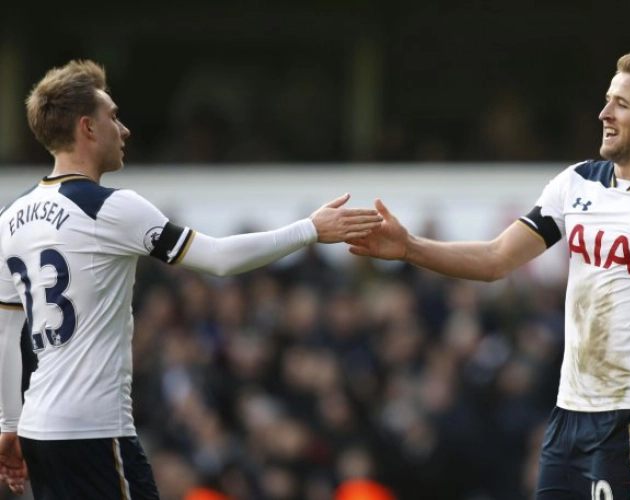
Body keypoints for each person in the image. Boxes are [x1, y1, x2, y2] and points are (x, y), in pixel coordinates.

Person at [348, 52, 630, 499]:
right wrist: (409, 248)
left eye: (622, 104)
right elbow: (497, 258)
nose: (604, 113)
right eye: (607, 100)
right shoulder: (575, 183)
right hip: (568, 413)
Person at [0, 59, 382, 499]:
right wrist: (311, 229)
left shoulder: (11, 218)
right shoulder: (110, 207)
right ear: (87, 128)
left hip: (37, 431)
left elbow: (9, 332)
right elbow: (217, 258)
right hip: (94, 428)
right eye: (114, 117)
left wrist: (10, 425)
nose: (123, 130)